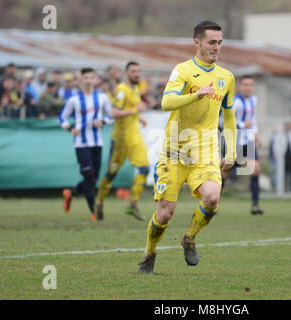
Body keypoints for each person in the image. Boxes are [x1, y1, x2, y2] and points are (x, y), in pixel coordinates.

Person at [138, 20, 237, 274]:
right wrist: (196, 94)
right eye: (212, 42)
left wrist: (233, 150)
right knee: (164, 215)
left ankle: (189, 238)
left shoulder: (226, 78)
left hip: (205, 151)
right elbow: (166, 102)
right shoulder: (183, 71)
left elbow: (228, 114)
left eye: (220, 43)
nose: (217, 47)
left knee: (213, 197)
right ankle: (149, 253)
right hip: (173, 151)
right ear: (197, 42)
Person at [96, 62, 153, 221]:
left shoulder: (135, 88)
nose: (137, 74)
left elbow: (129, 109)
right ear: (126, 73)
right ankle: (99, 202)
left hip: (134, 137)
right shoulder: (121, 90)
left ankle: (132, 204)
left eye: (139, 71)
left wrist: (139, 118)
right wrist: (136, 111)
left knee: (144, 169)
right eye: (134, 71)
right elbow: (113, 113)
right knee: (111, 173)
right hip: (120, 140)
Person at [59, 67, 113, 222]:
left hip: (97, 143)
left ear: (95, 80)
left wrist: (102, 121)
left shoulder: (102, 97)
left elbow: (111, 116)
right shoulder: (73, 100)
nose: (89, 81)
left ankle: (71, 193)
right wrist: (70, 129)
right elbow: (61, 118)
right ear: (80, 80)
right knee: (88, 176)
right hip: (81, 144)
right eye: (86, 78)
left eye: (91, 78)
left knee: (93, 178)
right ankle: (93, 211)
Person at [221, 75, 263, 214]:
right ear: (240, 86)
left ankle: (255, 206)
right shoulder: (235, 102)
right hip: (234, 141)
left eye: (251, 85)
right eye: (245, 84)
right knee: (225, 172)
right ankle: (213, 204)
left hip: (248, 140)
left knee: (256, 169)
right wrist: (242, 124)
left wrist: (256, 134)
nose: (248, 87)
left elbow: (252, 120)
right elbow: (223, 121)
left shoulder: (253, 100)